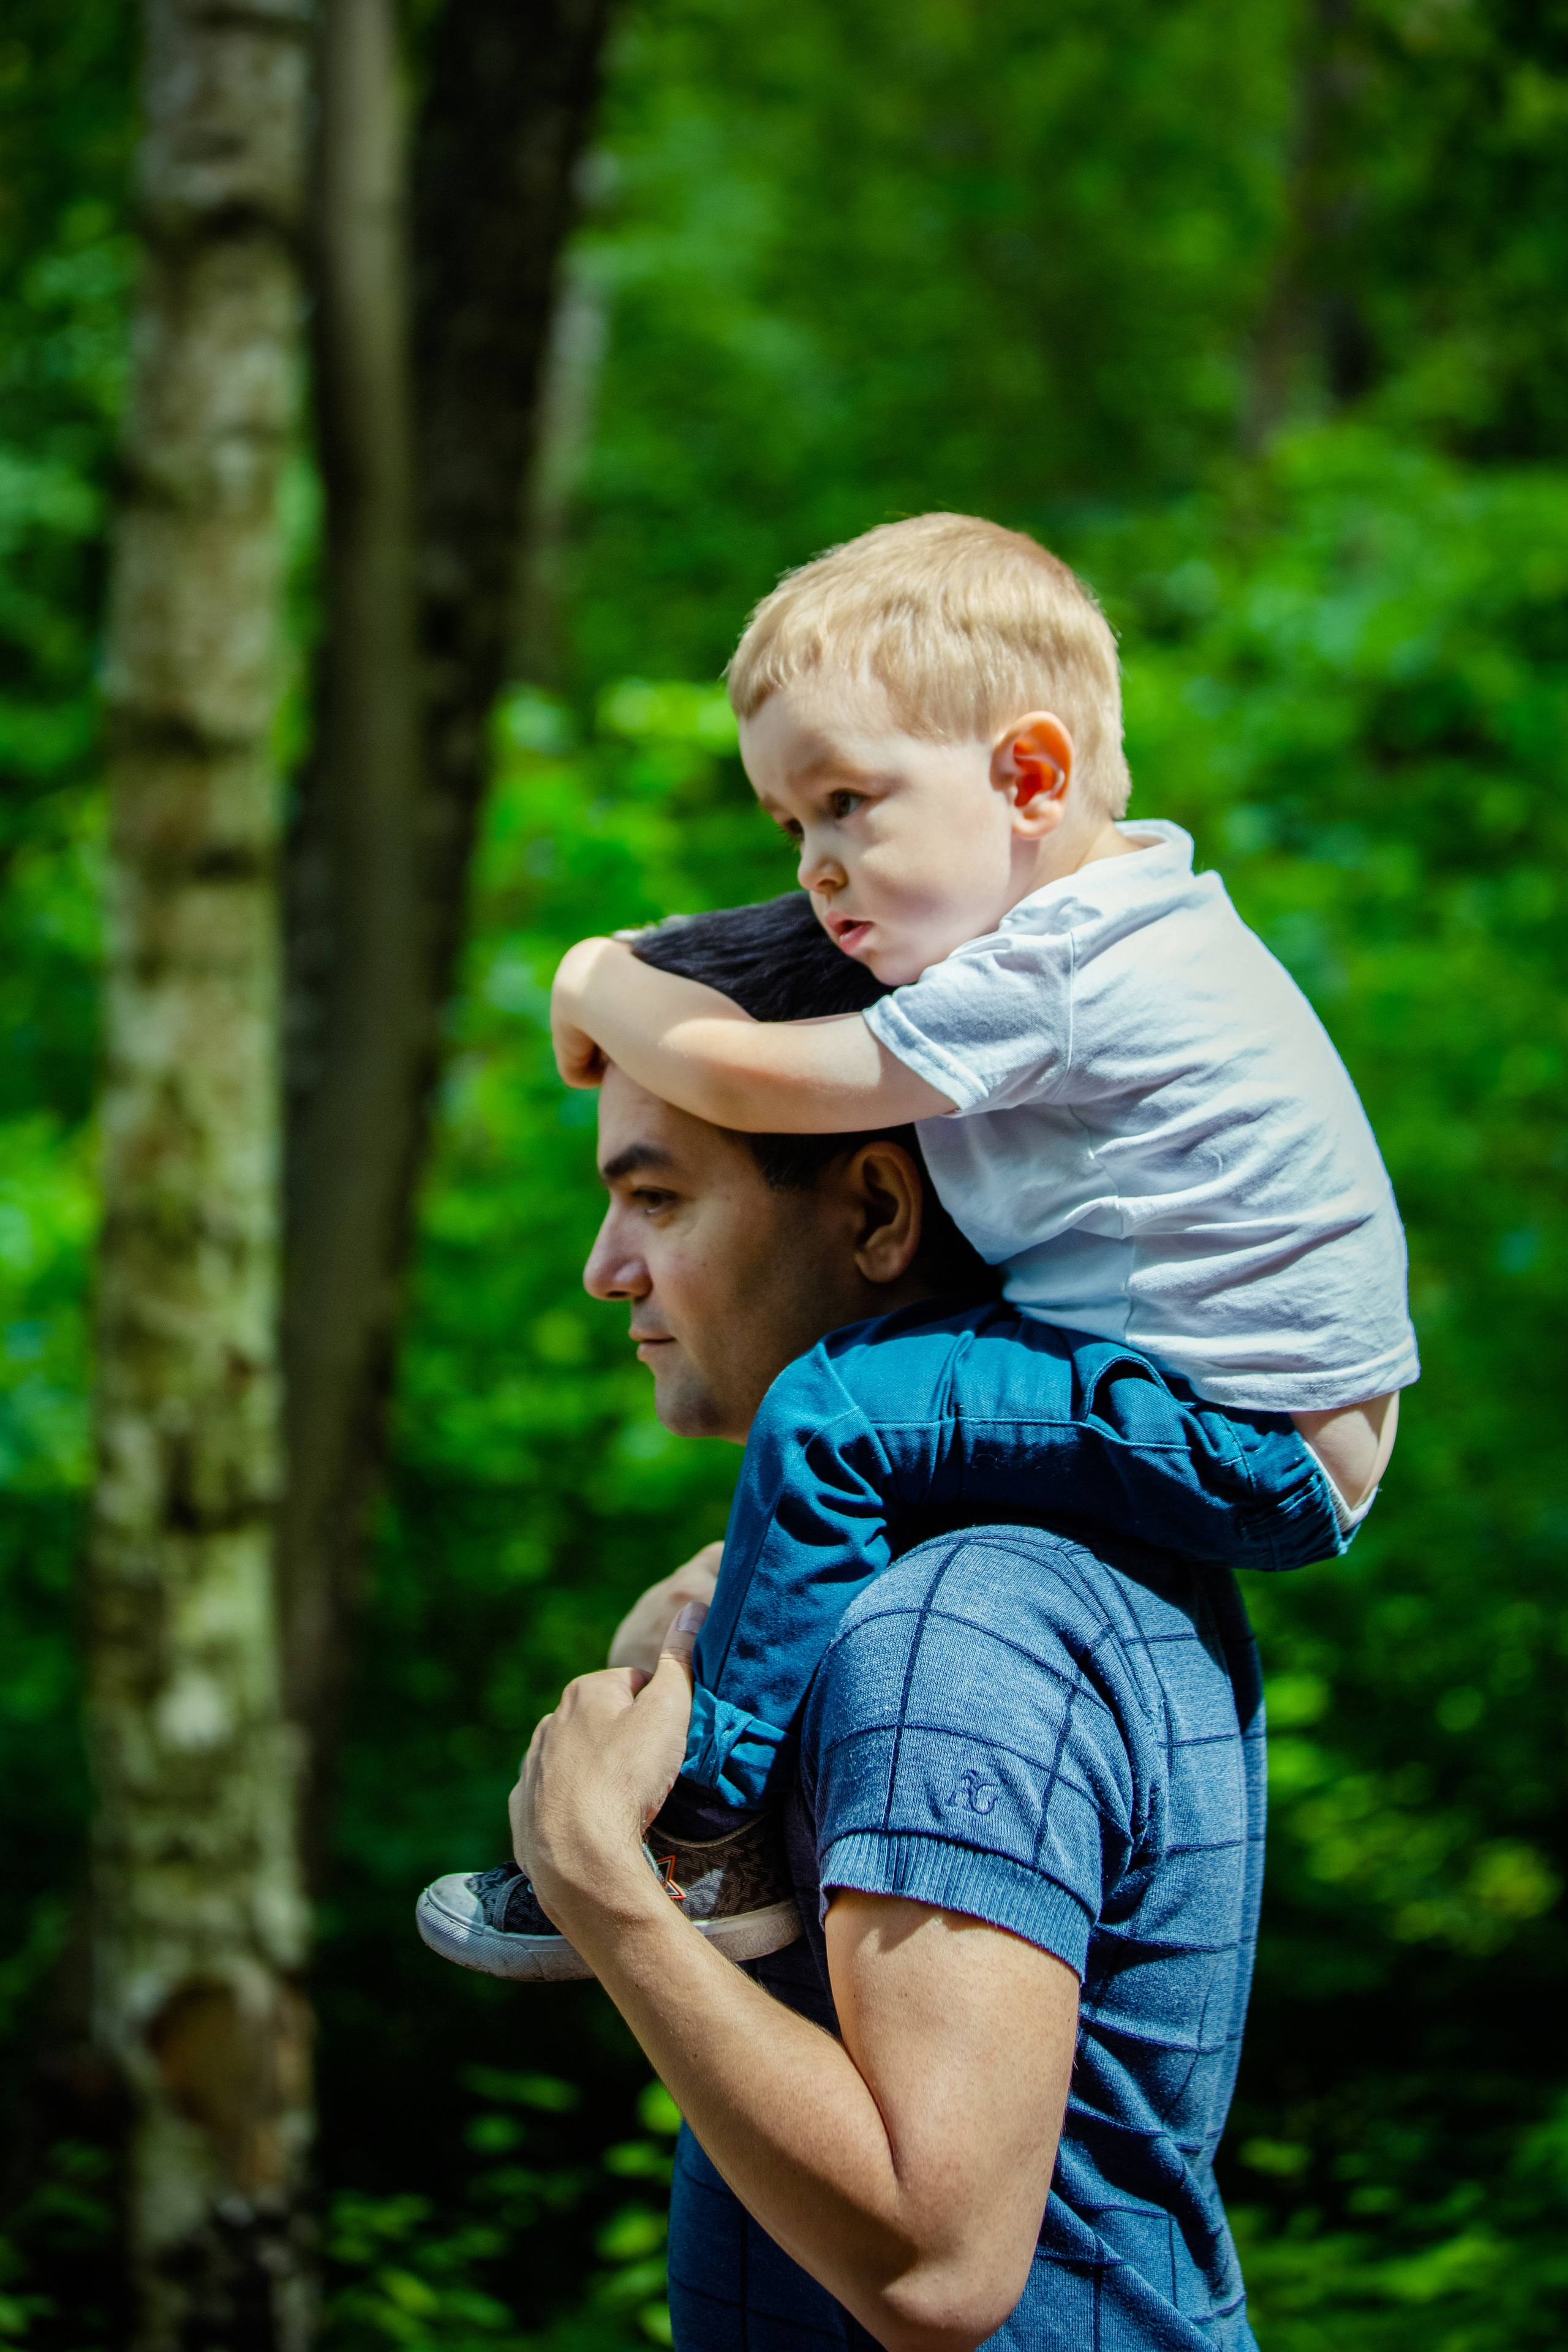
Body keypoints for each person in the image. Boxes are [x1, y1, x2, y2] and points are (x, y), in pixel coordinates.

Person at [459, 899, 1268, 2348]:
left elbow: (936, 2269)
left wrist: (598, 1883)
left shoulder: (953, 1627)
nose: (604, 1268)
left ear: (880, 1214)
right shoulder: (999, 1571)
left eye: (656, 1199)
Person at [546, 512, 1417, 1847]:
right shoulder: (1128, 915)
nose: (814, 864)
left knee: (835, 1412)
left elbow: (758, 1080)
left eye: (844, 801)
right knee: (906, 1392)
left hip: (1249, 1439)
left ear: (1027, 779)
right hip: (1245, 1416)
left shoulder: (1064, 966)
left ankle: (704, 1813)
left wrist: (601, 974)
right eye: (790, 823)